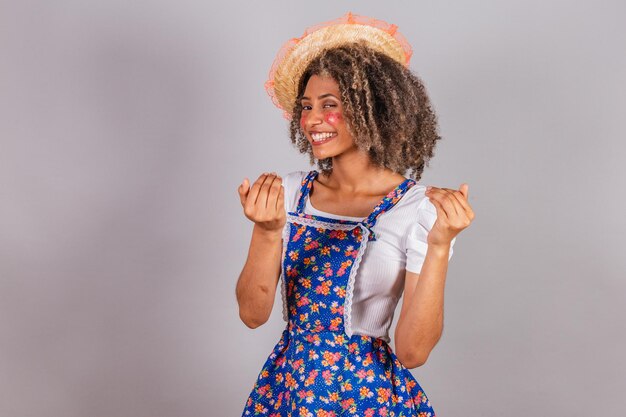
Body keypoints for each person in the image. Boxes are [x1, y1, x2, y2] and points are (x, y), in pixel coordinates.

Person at [235, 12, 475, 417]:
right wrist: (268, 230)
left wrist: (439, 245)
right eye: (306, 106)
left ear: (372, 110)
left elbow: (414, 351)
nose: (312, 120)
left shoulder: (416, 209)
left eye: (330, 106)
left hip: (368, 398)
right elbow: (252, 315)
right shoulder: (288, 193)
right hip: (289, 391)